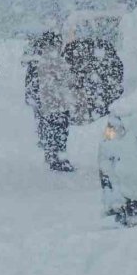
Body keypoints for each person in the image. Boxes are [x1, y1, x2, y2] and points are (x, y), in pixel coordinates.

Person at [34, 31, 76, 172]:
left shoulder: (43, 60)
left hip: (48, 105)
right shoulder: (56, 60)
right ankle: (59, 159)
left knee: (52, 131)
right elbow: (68, 79)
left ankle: (52, 156)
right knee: (60, 133)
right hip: (59, 104)